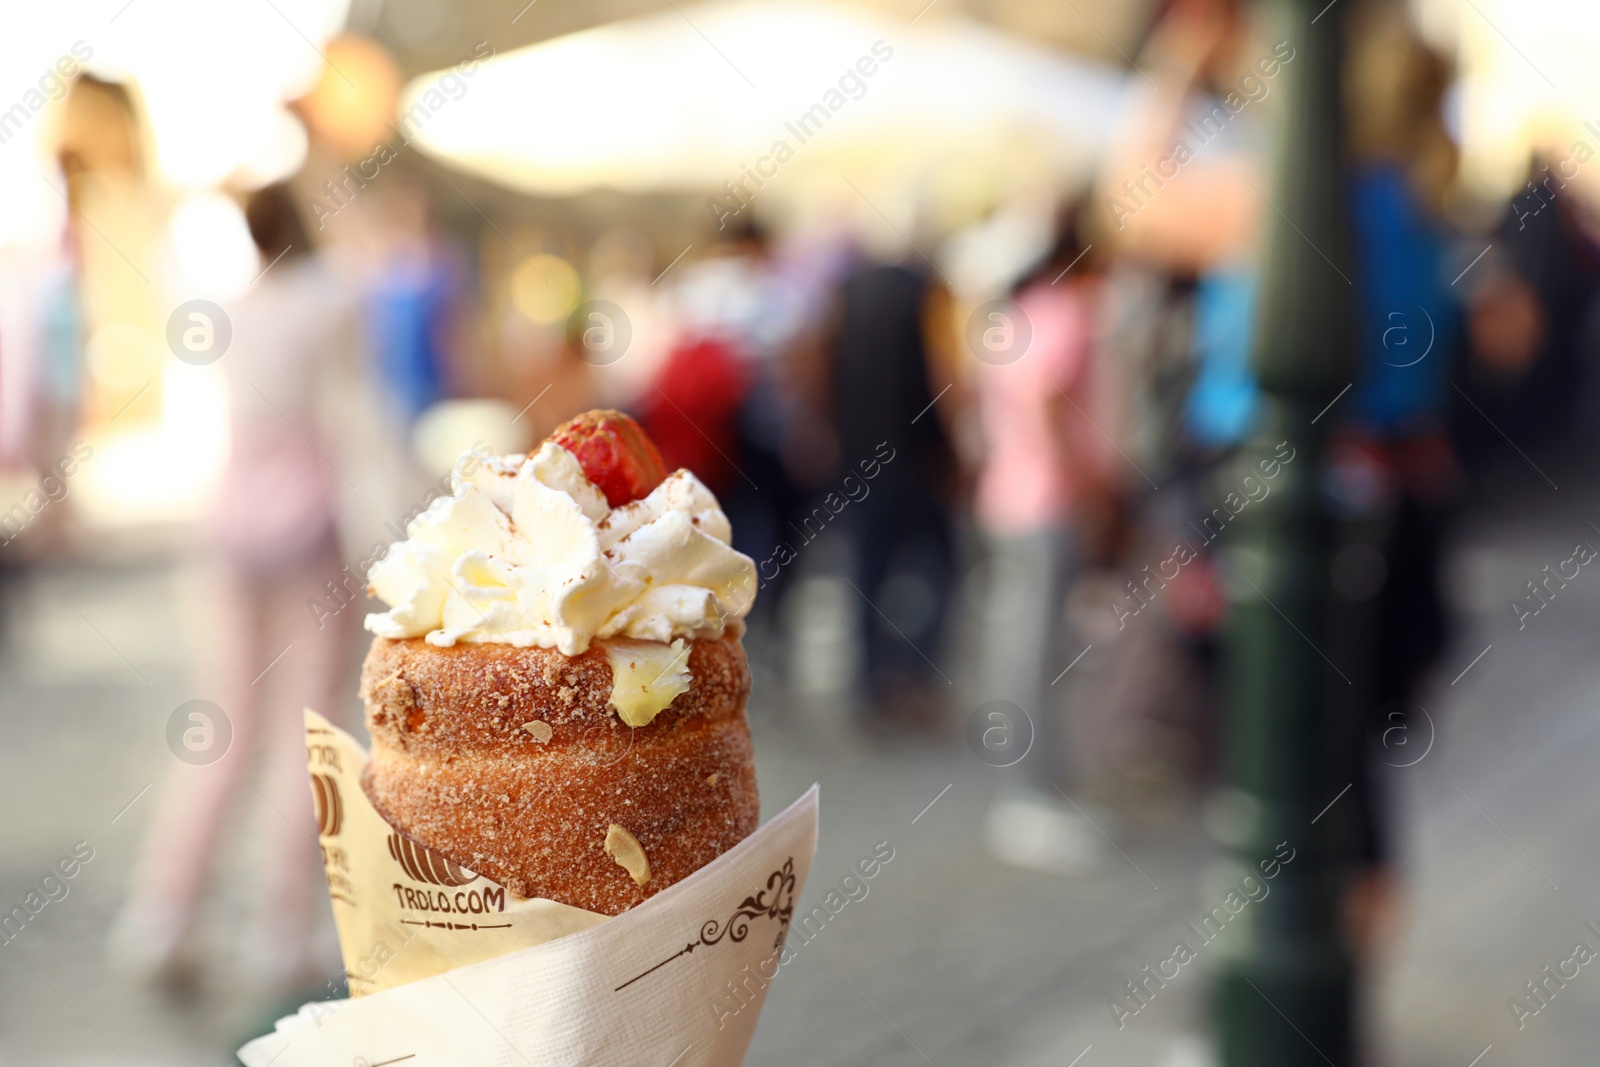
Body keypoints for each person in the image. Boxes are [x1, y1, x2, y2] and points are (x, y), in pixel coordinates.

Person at [109, 184, 355, 993]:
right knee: (307, 732)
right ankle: (282, 929)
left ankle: (165, 912)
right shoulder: (330, 303)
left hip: (229, 529)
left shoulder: (226, 309)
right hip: (315, 531)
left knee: (224, 726)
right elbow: (362, 416)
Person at [973, 206, 1116, 873]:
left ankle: (1030, 790)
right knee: (1038, 653)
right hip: (1046, 500)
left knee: (1024, 649)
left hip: (1008, 497)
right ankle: (1029, 796)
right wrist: (1085, 480)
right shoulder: (1068, 315)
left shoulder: (1022, 309)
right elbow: (1053, 405)